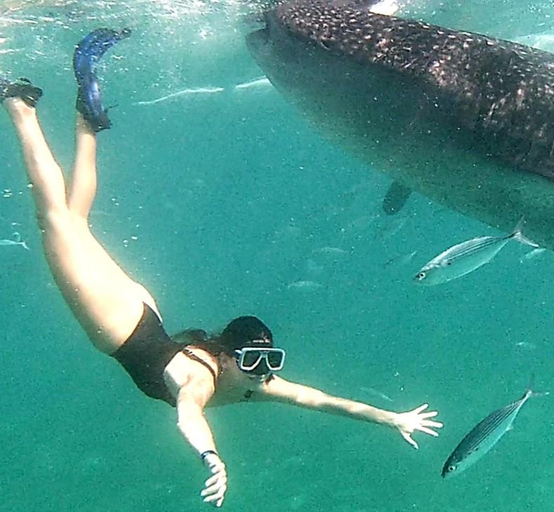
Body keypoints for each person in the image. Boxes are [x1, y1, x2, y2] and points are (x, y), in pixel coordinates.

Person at [0, 28, 442, 508]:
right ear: (229, 356)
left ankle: (88, 113)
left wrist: (390, 418)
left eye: (270, 364)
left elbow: (321, 400)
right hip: (118, 325)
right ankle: (20, 106)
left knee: (75, 223)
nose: (261, 375)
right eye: (254, 363)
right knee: (57, 220)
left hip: (138, 314)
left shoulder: (253, 386)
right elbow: (189, 414)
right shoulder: (204, 378)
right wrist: (211, 458)